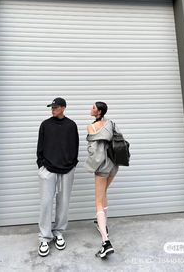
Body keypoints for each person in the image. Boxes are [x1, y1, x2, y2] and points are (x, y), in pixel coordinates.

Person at [36, 97, 79, 257]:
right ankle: (45, 237)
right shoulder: (45, 125)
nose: (52, 110)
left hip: (67, 170)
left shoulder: (71, 125)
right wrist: (41, 164)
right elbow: (40, 145)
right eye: (51, 107)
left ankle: (59, 232)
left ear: (63, 108)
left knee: (63, 202)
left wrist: (72, 164)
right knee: (46, 203)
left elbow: (75, 145)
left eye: (55, 107)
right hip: (48, 169)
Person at [84, 102, 119, 259]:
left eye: (93, 107)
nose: (91, 109)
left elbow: (93, 149)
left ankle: (106, 243)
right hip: (114, 165)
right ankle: (101, 224)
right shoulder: (111, 123)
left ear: (98, 111)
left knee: (98, 201)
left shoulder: (91, 127)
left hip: (102, 167)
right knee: (103, 194)